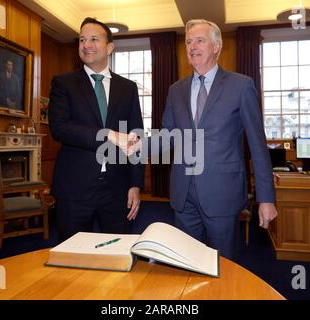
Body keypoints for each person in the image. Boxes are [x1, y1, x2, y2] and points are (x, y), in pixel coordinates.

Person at [115, 19, 277, 261]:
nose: (192, 46)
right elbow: (168, 135)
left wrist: (266, 197)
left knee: (223, 267)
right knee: (186, 263)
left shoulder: (241, 86)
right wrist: (138, 144)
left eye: (199, 40)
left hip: (222, 194)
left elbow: (257, 144)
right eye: (188, 41)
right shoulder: (175, 89)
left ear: (216, 46)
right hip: (183, 195)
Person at [48, 17, 144, 242]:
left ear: (110, 47)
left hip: (117, 189)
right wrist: (109, 135)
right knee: (72, 258)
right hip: (74, 188)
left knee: (118, 254)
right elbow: (60, 128)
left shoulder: (128, 88)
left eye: (93, 39)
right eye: (82, 40)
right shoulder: (63, 83)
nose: (86, 44)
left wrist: (136, 184)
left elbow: (136, 137)